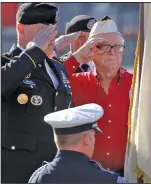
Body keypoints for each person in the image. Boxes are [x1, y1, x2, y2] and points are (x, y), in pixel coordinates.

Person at [1, 3, 72, 182]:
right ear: (20, 29)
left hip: (54, 171)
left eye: (53, 30)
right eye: (44, 31)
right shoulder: (6, 63)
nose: (51, 36)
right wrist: (34, 52)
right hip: (17, 172)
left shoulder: (57, 68)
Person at [61, 16, 133, 175]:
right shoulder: (77, 81)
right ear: (91, 51)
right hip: (86, 175)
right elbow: (52, 80)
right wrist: (78, 57)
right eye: (104, 46)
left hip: (125, 174)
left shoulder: (135, 83)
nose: (112, 53)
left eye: (117, 47)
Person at [28, 103, 128, 183]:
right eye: (93, 136)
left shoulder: (39, 177)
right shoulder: (111, 180)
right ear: (86, 139)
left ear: (56, 139)